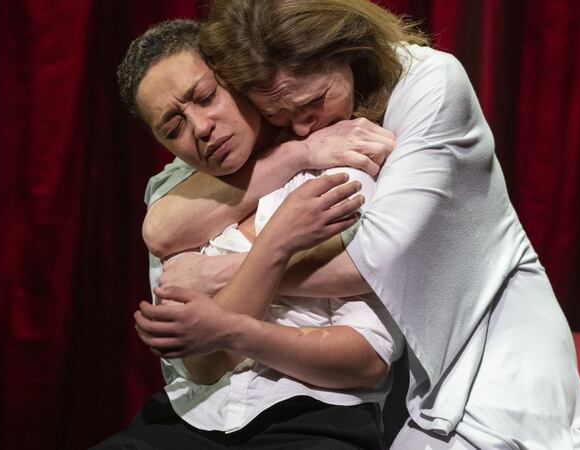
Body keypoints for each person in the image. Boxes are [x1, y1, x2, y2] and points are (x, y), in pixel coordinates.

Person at [136, 2, 580, 449]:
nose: (302, 124)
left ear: (347, 49)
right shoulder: (292, 131)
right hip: (385, 373)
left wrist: (226, 273)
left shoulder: (429, 85)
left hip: (480, 320)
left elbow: (378, 259)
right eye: (280, 116)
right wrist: (297, 151)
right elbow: (160, 226)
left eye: (312, 106)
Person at [94, 19, 406, 449]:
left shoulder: (339, 160)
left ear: (239, 78)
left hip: (314, 415)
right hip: (189, 416)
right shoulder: (176, 193)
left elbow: (367, 358)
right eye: (173, 128)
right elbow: (202, 363)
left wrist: (242, 272)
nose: (200, 128)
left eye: (206, 97)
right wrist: (295, 157)